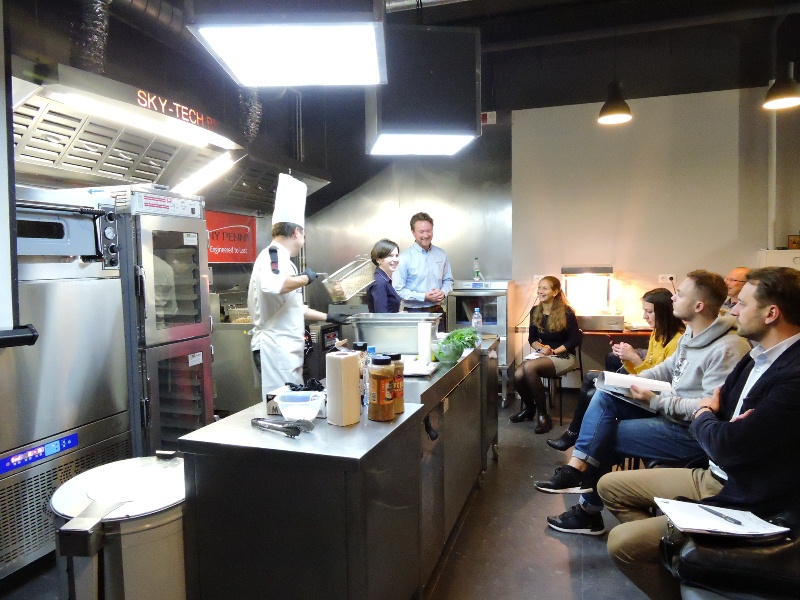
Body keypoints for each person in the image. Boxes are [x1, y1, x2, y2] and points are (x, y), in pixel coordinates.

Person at [598, 266, 800, 600]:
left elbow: (722, 437)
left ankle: (683, 558)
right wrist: (716, 421)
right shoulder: (756, 357)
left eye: (742, 304)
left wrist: (706, 416)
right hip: (713, 471)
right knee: (610, 486)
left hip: (742, 493)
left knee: (622, 544)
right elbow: (719, 417)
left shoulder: (791, 374)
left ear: (771, 314)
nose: (732, 311)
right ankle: (679, 559)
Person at [537, 270, 751, 535]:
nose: (673, 298)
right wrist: (628, 382)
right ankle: (577, 471)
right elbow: (666, 369)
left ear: (699, 306)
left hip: (690, 433)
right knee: (604, 393)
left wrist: (657, 400)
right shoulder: (693, 334)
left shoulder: (728, 347)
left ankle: (586, 508)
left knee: (602, 434)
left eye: (680, 294)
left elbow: (707, 408)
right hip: (670, 414)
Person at [547, 287, 685, 451]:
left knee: (593, 393)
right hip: (642, 385)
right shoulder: (658, 333)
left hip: (652, 397)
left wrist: (634, 358)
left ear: (663, 313)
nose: (644, 316)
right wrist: (626, 358)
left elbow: (659, 382)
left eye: (649, 312)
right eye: (644, 311)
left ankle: (575, 436)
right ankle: (574, 435)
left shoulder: (677, 341)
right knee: (591, 377)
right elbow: (645, 371)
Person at [248, 173, 346, 397]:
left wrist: (328, 317)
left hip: (286, 350)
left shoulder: (284, 260)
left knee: (291, 403)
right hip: (275, 349)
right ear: (296, 232)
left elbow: (293, 307)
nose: (303, 240)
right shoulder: (272, 255)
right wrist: (305, 278)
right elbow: (273, 285)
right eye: (303, 234)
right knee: (281, 405)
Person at [510, 276, 581, 434]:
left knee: (528, 368)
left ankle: (543, 415)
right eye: (539, 288)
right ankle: (530, 408)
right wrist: (541, 348)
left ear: (555, 292)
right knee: (517, 375)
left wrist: (554, 351)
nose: (540, 291)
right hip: (544, 356)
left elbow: (574, 340)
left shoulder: (567, 312)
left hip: (564, 356)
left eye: (545, 288)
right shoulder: (535, 311)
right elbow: (532, 339)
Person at [392, 212, 453, 322]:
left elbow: (448, 280)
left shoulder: (441, 254)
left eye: (429, 231)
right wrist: (423, 296)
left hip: (437, 312)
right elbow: (398, 290)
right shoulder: (404, 258)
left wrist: (443, 292)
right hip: (413, 314)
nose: (426, 235)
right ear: (413, 232)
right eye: (421, 232)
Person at [365, 238, 401, 313]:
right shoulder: (379, 283)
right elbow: (381, 316)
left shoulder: (385, 279)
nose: (395, 260)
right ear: (378, 260)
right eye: (390, 256)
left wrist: (398, 313)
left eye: (396, 255)